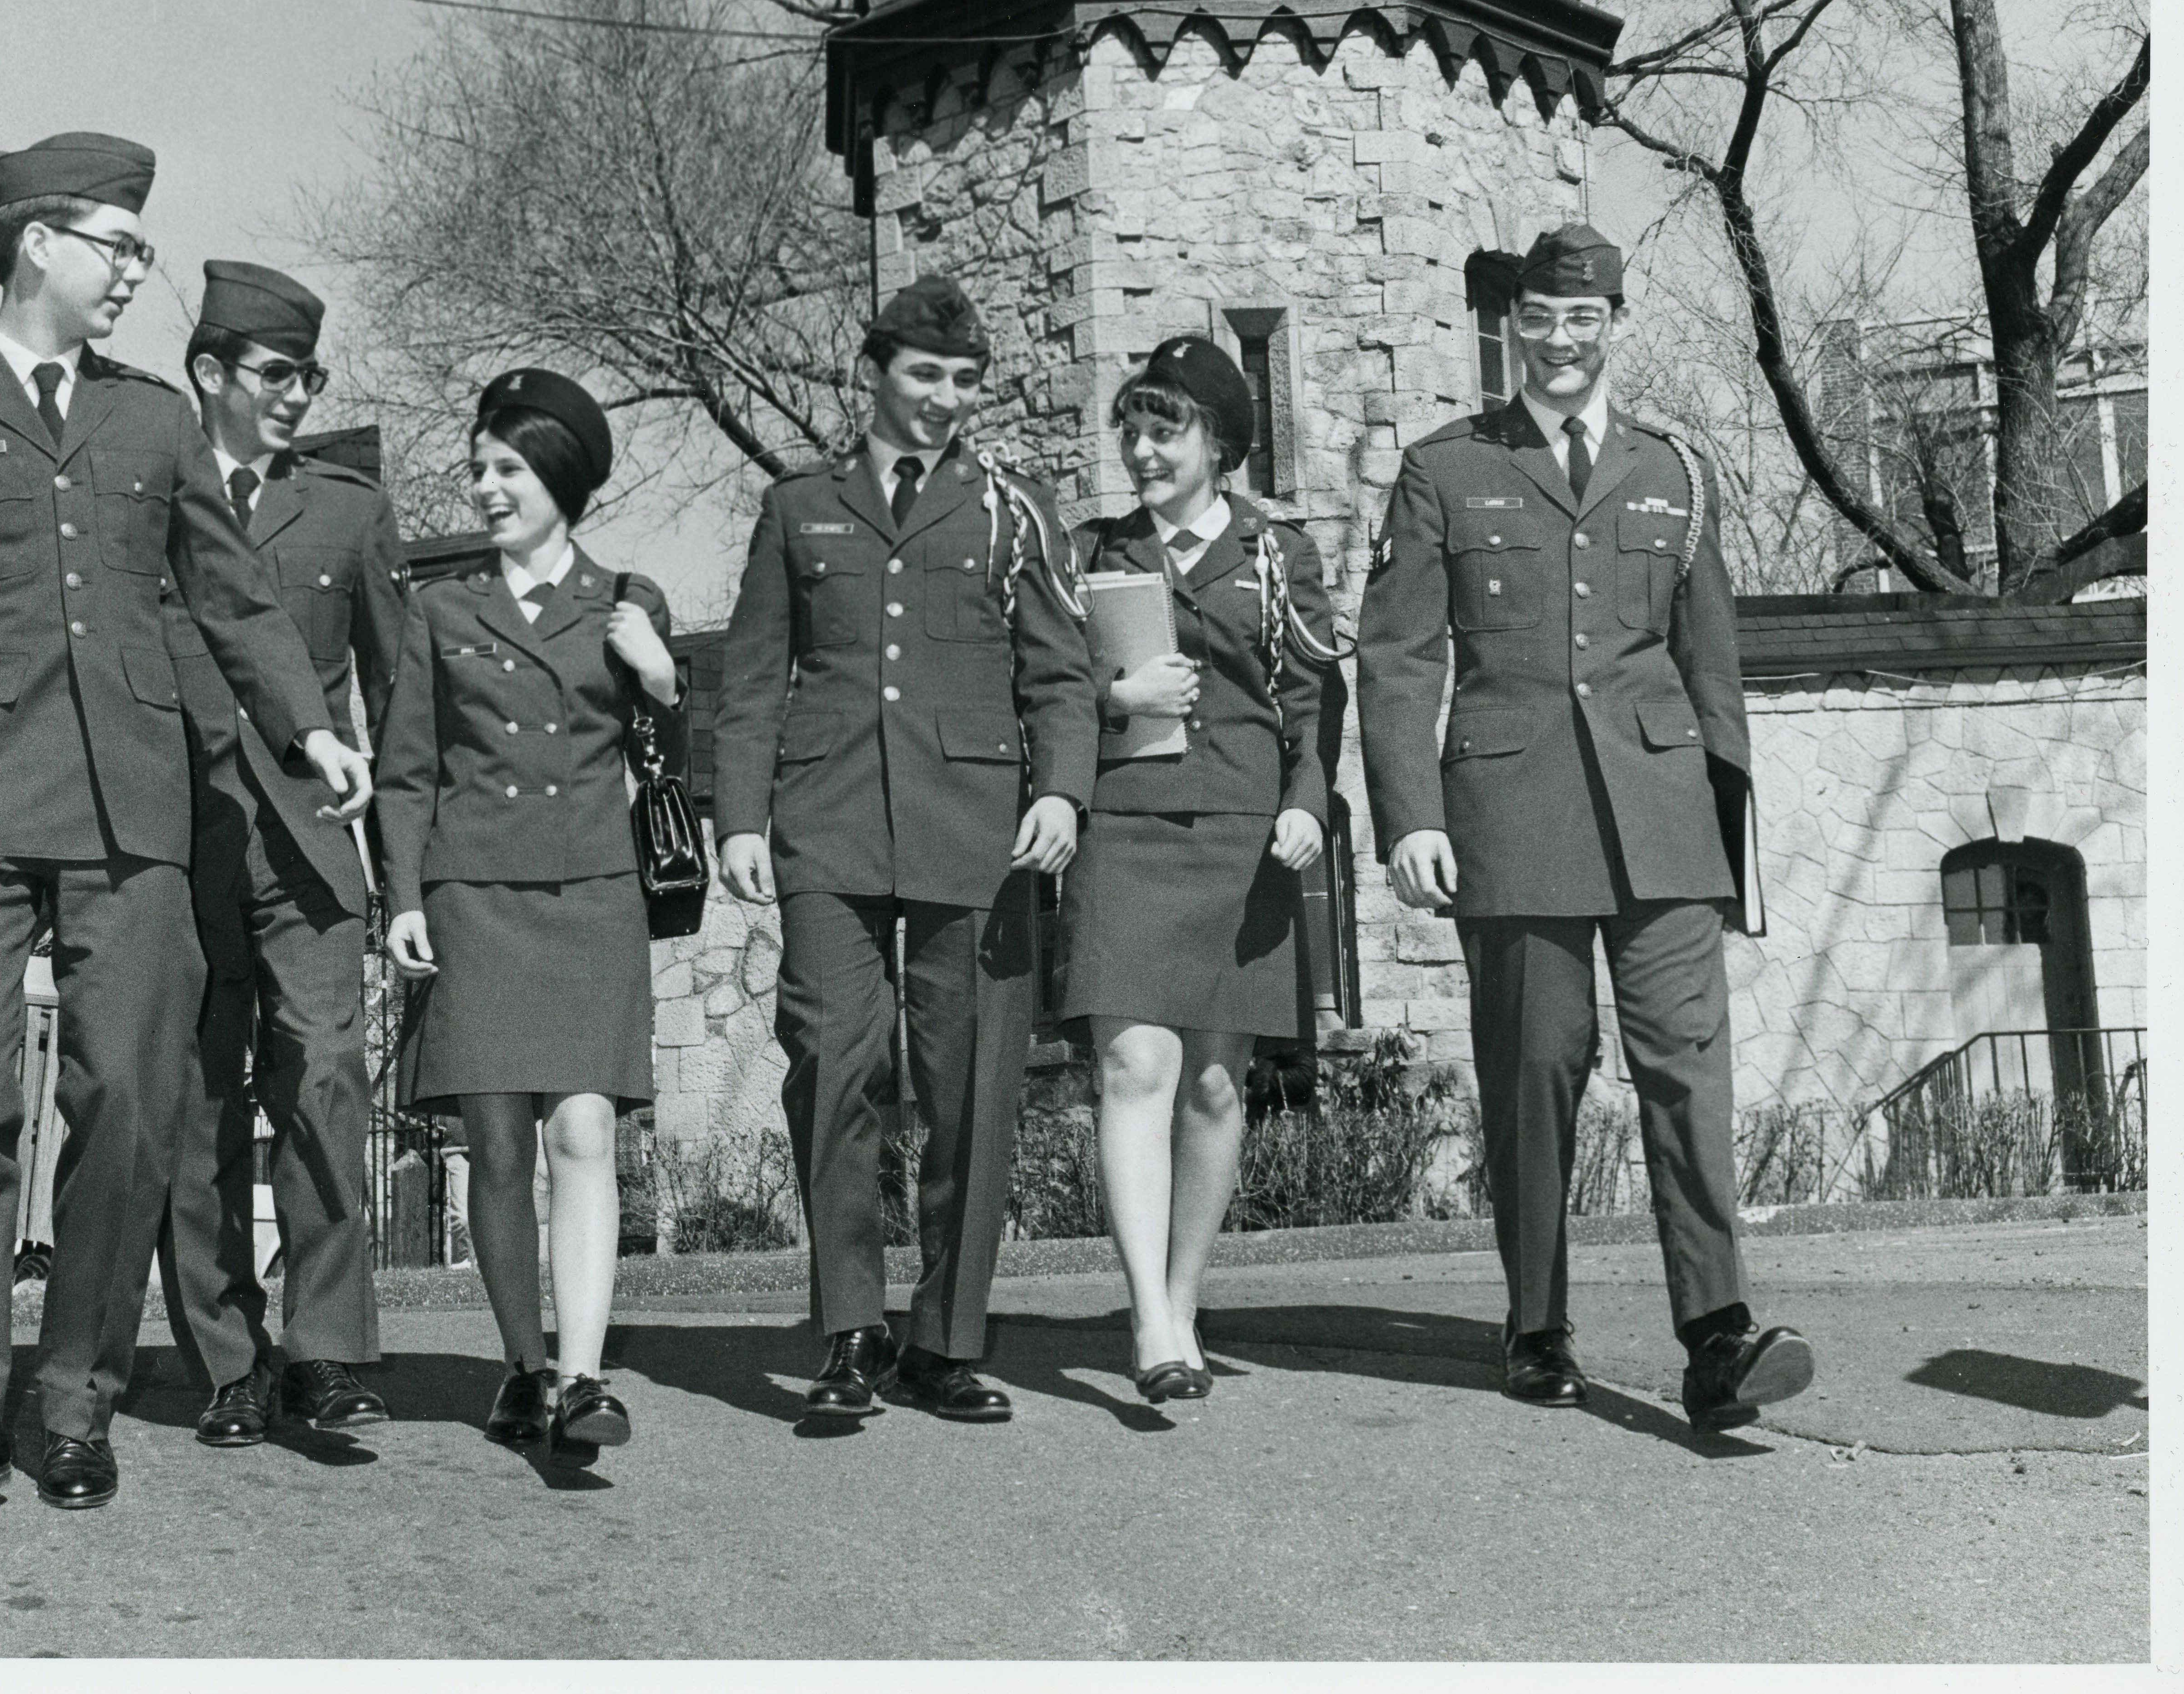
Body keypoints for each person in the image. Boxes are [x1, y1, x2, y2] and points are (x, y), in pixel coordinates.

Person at [0, 133, 371, 1516]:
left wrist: (310, 727)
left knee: (129, 1107)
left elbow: (235, 599)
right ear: (35, 246)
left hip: (133, 806)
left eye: (143, 246)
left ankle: (75, 1400)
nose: (140, 269)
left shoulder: (152, 424)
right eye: (117, 244)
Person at [1357, 222, 1813, 1432]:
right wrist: (1407, 817)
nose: (1560, 341)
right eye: (1539, 321)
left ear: (1614, 323)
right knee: (1535, 1071)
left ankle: (1715, 1334)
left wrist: (1735, 855)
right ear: (1511, 328)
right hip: (1511, 816)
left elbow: (1711, 679)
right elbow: (1396, 658)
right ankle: (1535, 1321)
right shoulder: (1443, 468)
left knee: (1685, 1069)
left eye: (1583, 319)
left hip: (1662, 820)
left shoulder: (1674, 471)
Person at [713, 276, 1098, 1427]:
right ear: (872, 372)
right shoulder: (799, 509)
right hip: (826, 822)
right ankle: (848, 1331)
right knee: (832, 1066)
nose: (943, 400)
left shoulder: (1010, 508)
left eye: (964, 382)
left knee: (972, 1084)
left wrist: (1065, 793)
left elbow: (1061, 675)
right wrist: (738, 817)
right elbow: (751, 679)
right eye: (924, 376)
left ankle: (947, 1339)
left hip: (975, 832)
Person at [374, 369, 681, 1463]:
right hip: (473, 896)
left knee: (584, 1130)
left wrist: (663, 682)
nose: (487, 488)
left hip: (592, 896)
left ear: (559, 474)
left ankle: (588, 1375)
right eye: (480, 469)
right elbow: (407, 774)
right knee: (497, 1148)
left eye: (507, 469)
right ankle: (523, 1363)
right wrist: (402, 900)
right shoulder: (439, 610)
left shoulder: (630, 603)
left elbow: (673, 775)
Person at [1058, 337, 1347, 1403]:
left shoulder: (1281, 557)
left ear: (1219, 442)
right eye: (1130, 429)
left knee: (1218, 1086)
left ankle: (1183, 1296)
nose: (1141, 449)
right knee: (1135, 1067)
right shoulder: (1088, 550)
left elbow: (1315, 706)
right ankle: (1149, 1321)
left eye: (1163, 429)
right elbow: (1041, 691)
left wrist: (1307, 805)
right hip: (1125, 832)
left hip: (1241, 836)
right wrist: (1112, 703)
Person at [154, 260, 408, 1451]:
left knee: (324, 1081)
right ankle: (227, 1359)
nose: (300, 391)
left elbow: (402, 709)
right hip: (173, 843)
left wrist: (405, 875)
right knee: (196, 1102)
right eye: (276, 371)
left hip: (310, 850)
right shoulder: (138, 496)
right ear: (210, 373)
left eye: (312, 372)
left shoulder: (350, 512)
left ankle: (325, 1349)